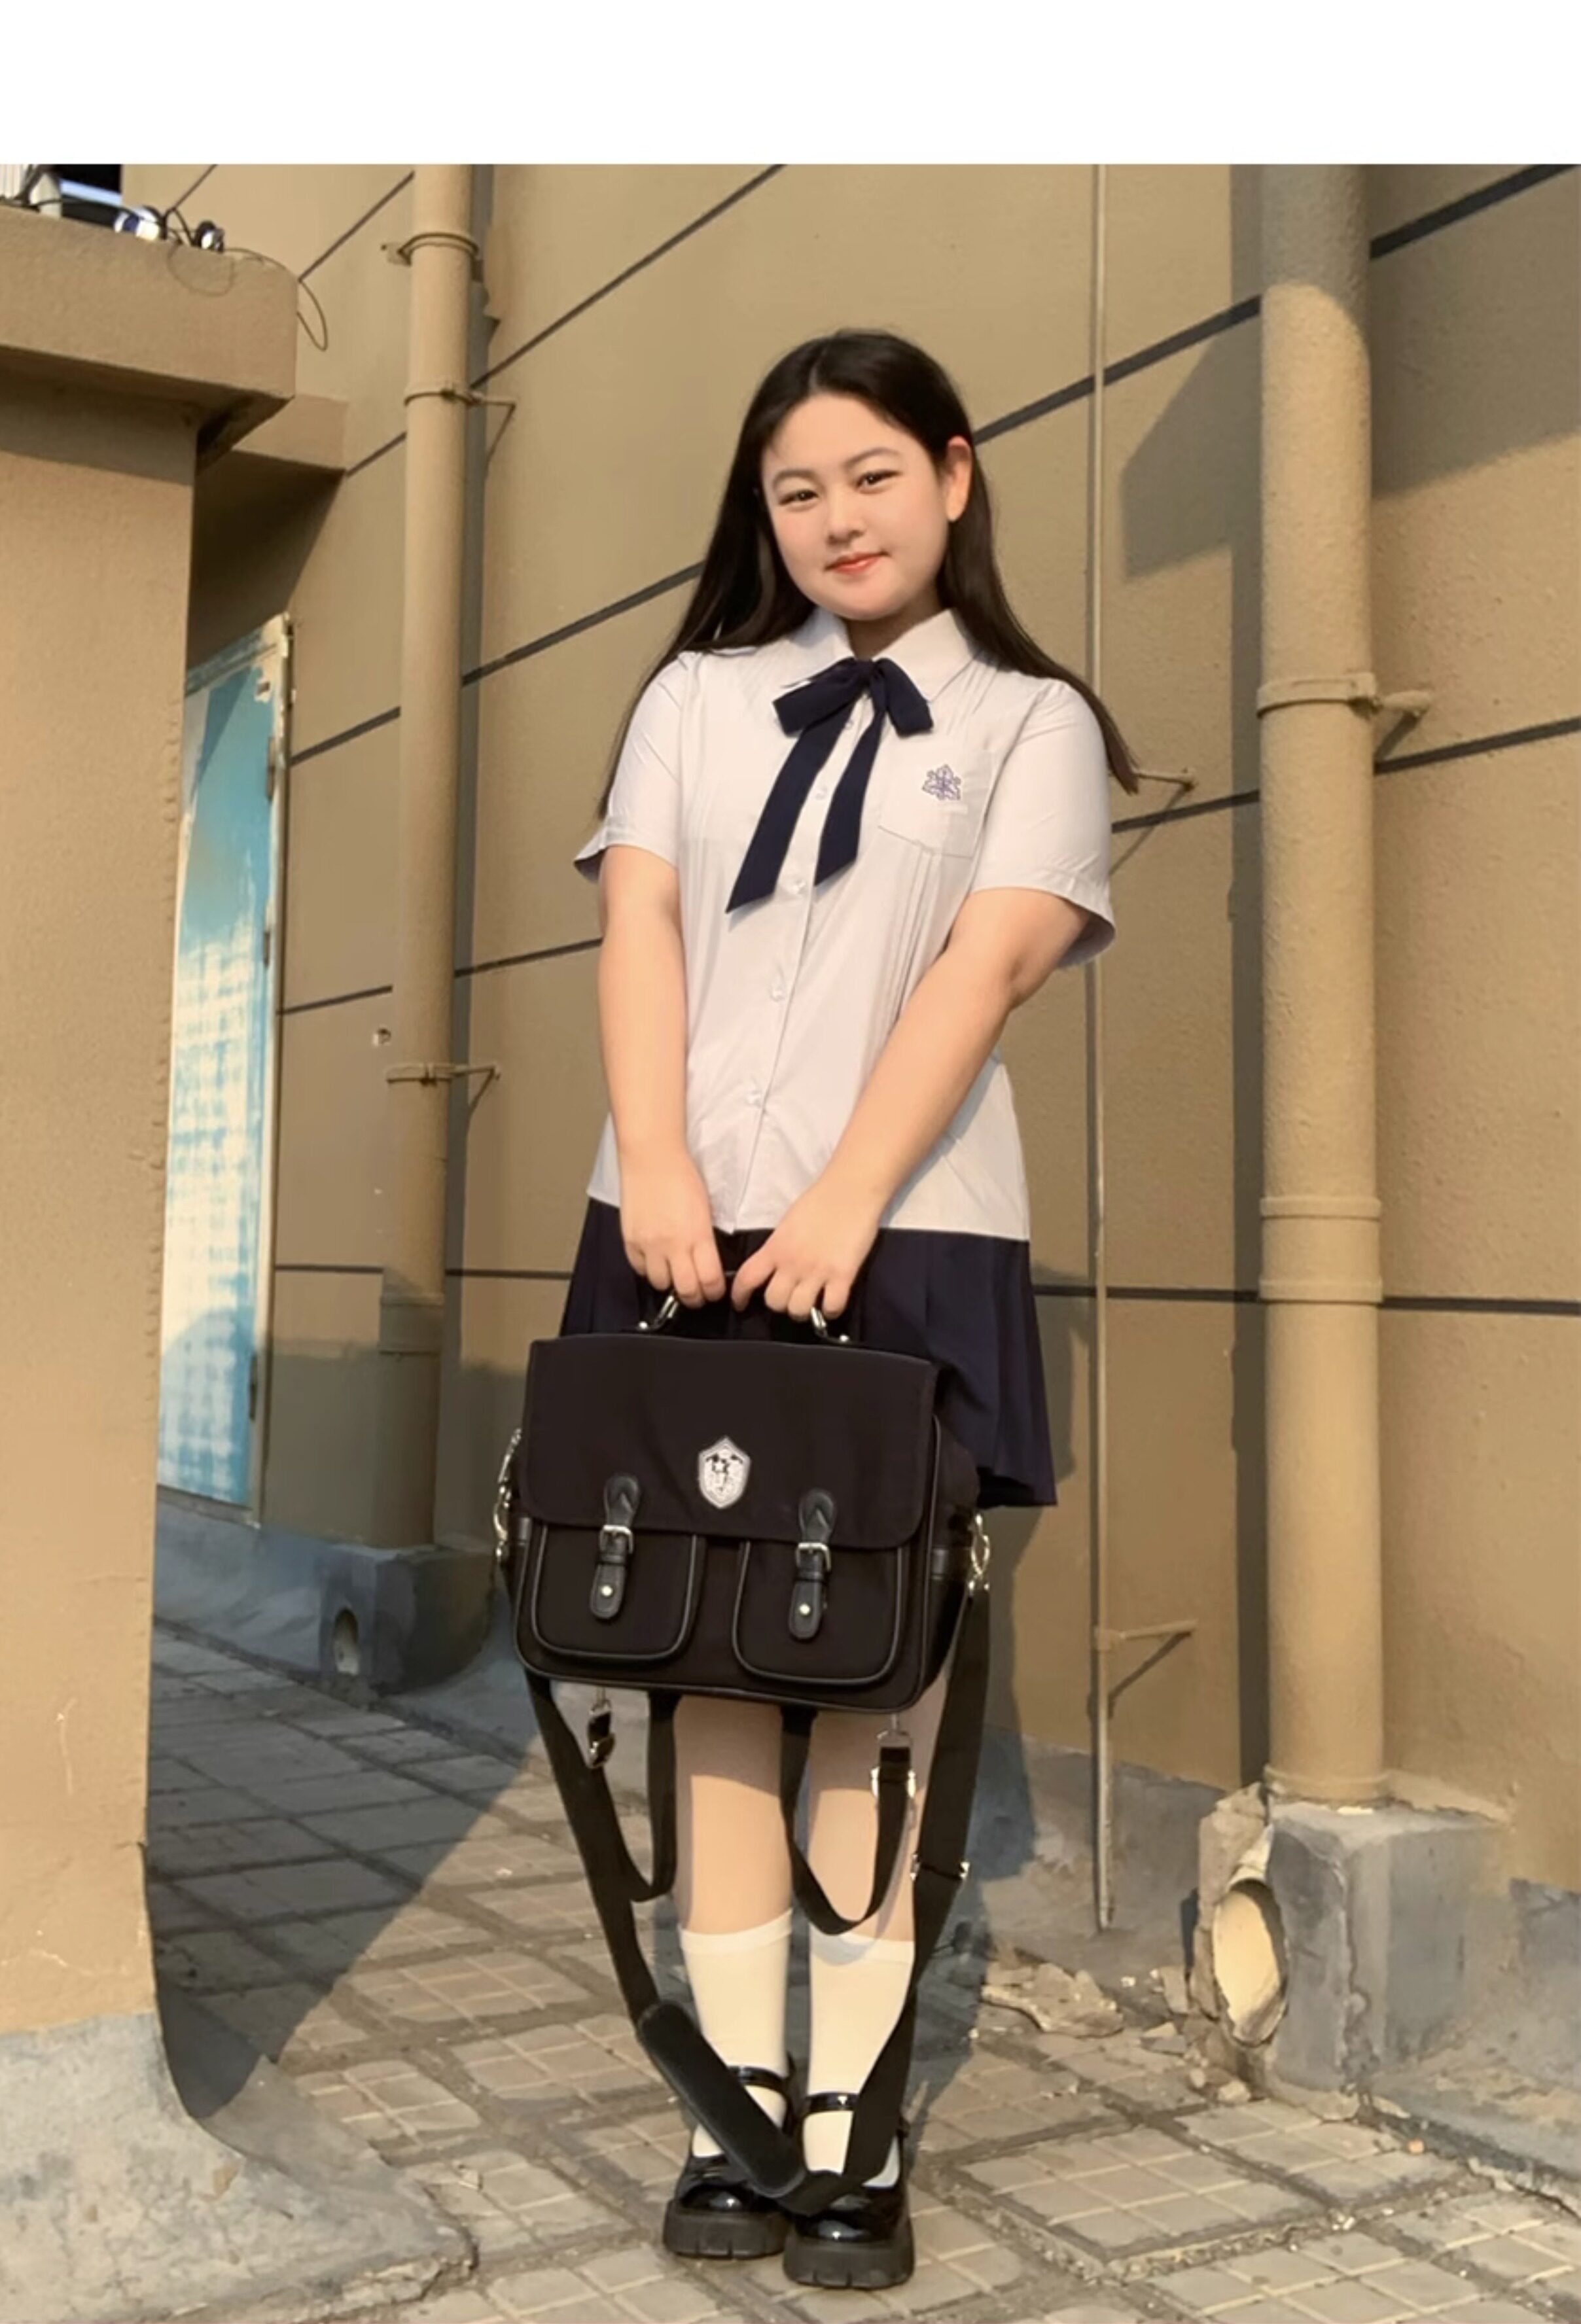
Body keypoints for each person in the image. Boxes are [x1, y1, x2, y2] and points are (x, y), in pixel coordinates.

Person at [558, 327, 1136, 2291]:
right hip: (676, 1233)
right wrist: (659, 1162)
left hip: (903, 1235)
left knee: (869, 1682)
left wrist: (837, 1200)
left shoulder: (1034, 724)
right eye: (796, 490)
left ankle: (851, 2133)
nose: (836, 519)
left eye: (873, 475)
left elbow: (991, 965)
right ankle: (734, 2116)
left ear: (955, 475)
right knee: (708, 1665)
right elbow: (639, 918)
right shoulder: (698, 698)